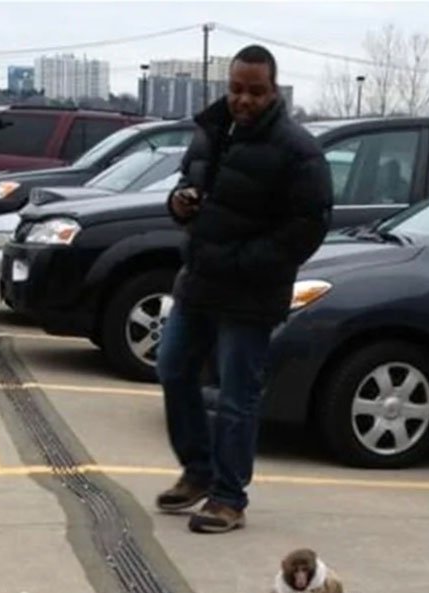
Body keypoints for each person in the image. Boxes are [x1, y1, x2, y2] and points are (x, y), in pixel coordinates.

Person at [154, 45, 334, 534]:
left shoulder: (298, 150)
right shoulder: (211, 131)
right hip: (198, 282)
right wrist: (180, 204)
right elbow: (185, 187)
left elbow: (306, 227)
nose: (244, 99)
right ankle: (198, 470)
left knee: (237, 396)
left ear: (273, 90)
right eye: (236, 89)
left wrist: (242, 261)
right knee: (172, 368)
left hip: (250, 293)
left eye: (255, 91)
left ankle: (229, 498)